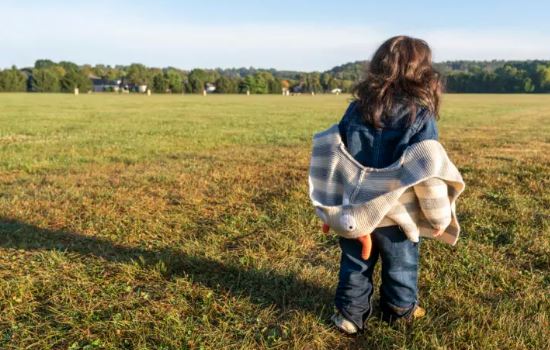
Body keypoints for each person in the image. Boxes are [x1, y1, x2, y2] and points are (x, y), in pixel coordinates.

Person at [313, 36, 461, 334]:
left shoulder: (355, 110)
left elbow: (336, 161)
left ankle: (349, 316)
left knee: (355, 265)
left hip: (355, 212)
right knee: (401, 266)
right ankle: (399, 309)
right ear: (422, 72)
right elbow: (427, 172)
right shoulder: (420, 115)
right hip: (398, 216)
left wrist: (330, 211)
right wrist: (439, 218)